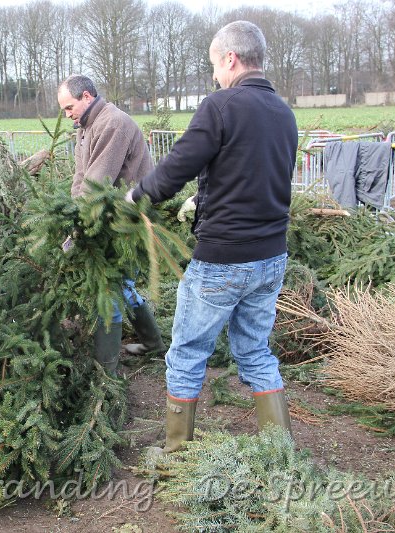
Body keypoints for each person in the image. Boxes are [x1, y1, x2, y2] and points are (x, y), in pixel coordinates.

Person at [126, 21, 298, 453]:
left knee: (187, 352)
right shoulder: (283, 112)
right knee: (255, 352)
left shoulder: (220, 105)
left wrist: (135, 196)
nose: (215, 75)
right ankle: (280, 452)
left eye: (215, 65)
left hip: (224, 258)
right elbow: (255, 175)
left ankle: (176, 454)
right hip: (271, 257)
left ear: (230, 59)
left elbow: (176, 167)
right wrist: (203, 199)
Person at [57, 74, 166, 376]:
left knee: (112, 289)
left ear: (87, 97)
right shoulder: (87, 126)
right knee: (123, 286)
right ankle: (153, 343)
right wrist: (73, 215)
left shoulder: (113, 124)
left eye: (69, 108)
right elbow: (81, 177)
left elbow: (97, 182)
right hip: (105, 218)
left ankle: (106, 372)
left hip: (126, 221)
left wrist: (77, 228)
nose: (67, 115)